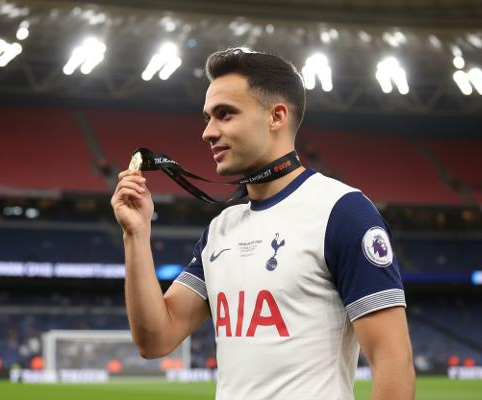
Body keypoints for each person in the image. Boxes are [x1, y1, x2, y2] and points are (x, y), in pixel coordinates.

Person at [111, 47, 415, 400]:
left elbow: (393, 362)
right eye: (207, 118)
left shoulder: (342, 211)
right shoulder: (221, 228)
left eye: (225, 114)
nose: (208, 132)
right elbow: (155, 340)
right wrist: (136, 235)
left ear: (276, 116)